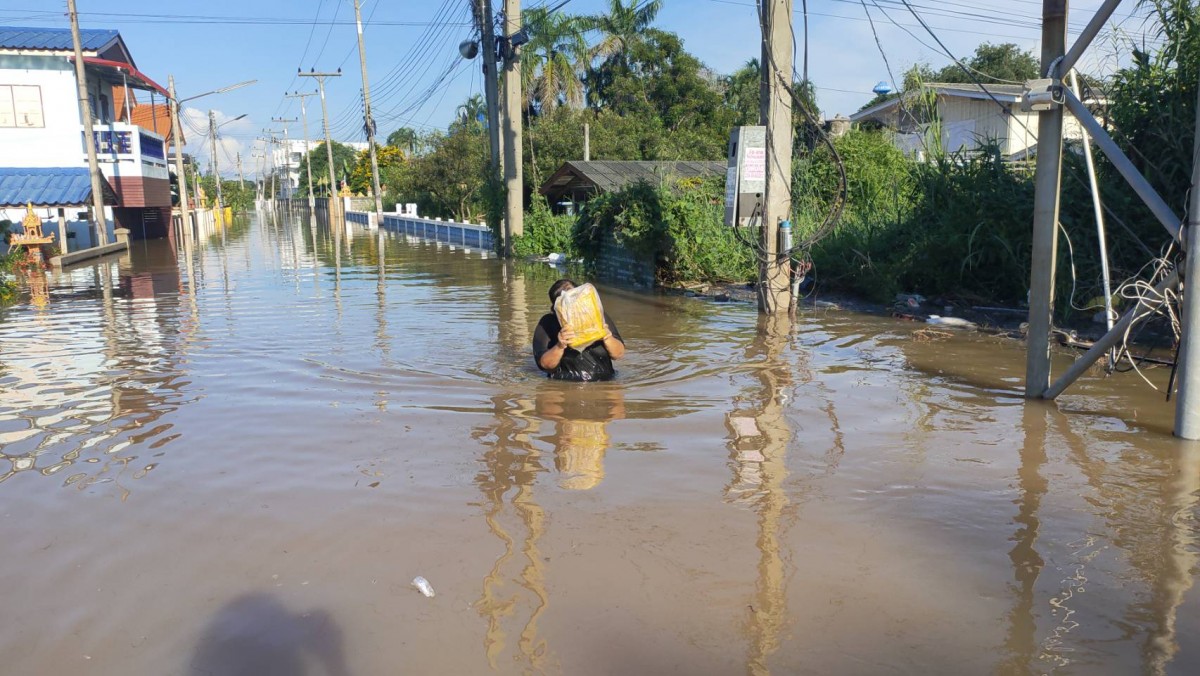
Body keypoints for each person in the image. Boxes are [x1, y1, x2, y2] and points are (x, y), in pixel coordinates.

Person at [532, 279, 626, 381]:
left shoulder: (598, 317)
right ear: (556, 308)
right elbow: (544, 365)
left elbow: (619, 354)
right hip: (565, 387)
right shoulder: (548, 322)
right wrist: (560, 346)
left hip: (605, 383)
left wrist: (607, 337)